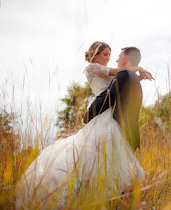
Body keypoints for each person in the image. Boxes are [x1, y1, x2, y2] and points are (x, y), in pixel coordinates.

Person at [16, 41, 151, 209]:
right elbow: (118, 76)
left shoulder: (118, 73)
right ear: (95, 54)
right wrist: (139, 69)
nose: (110, 58)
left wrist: (138, 77)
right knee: (91, 153)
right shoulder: (91, 68)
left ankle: (108, 196)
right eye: (105, 54)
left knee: (107, 154)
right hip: (101, 115)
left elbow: (118, 85)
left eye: (111, 55)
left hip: (108, 116)